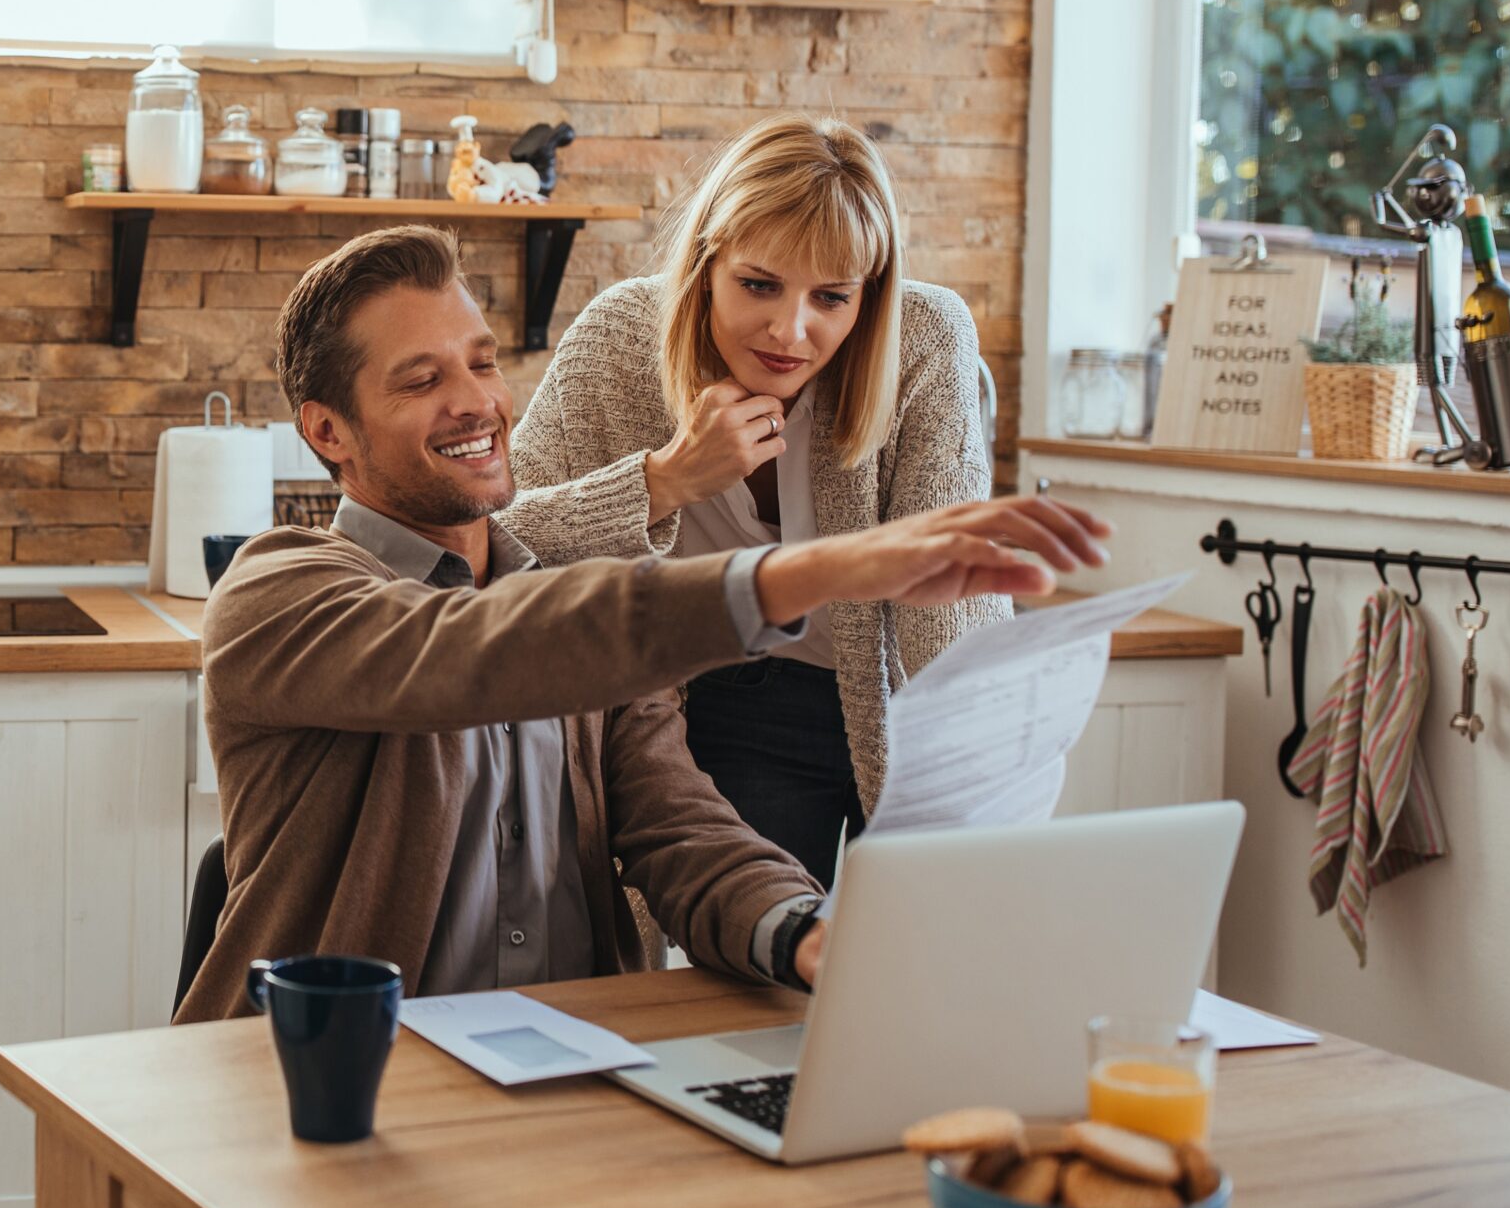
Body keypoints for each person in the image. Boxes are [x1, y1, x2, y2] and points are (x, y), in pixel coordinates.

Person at [173, 226, 1109, 1022]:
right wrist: (821, 567)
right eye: (421, 381)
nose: (477, 403)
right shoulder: (280, 588)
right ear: (328, 432)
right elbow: (473, 651)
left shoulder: (581, 591)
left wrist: (806, 932)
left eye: (484, 363)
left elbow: (681, 827)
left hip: (568, 1077)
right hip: (335, 1085)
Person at [503, 114, 999, 889]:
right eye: (758, 284)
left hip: (905, 699)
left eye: (831, 297)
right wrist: (661, 480)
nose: (789, 330)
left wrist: (993, 748)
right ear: (706, 264)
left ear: (869, 296)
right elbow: (499, 547)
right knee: (761, 968)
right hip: (733, 697)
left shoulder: (927, 339)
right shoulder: (620, 340)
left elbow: (945, 597)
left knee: (925, 970)